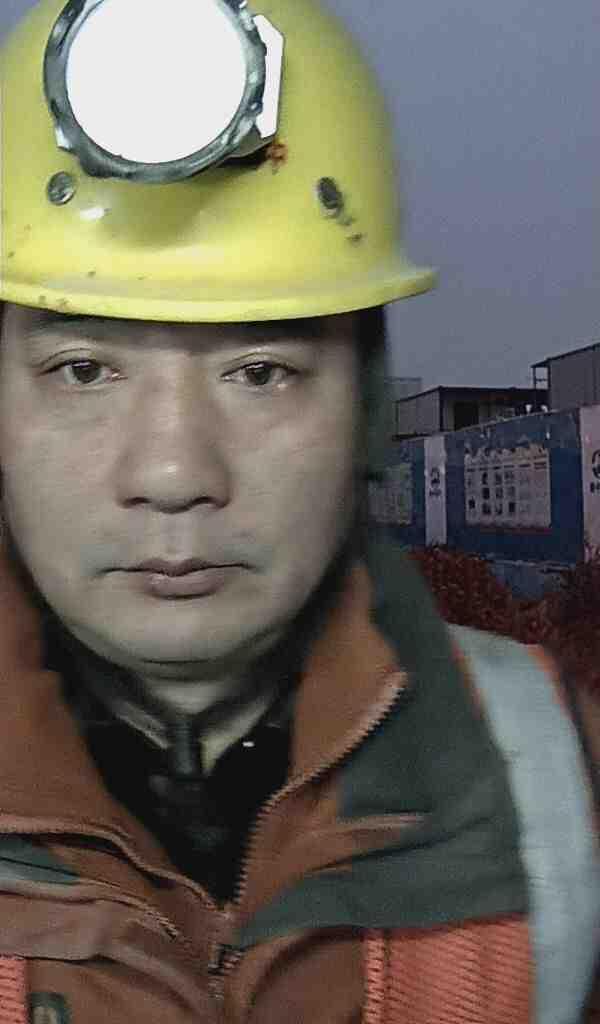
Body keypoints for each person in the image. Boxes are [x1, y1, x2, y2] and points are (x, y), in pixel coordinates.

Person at [0, 0, 597, 1021]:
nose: (175, 473)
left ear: (367, 408)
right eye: (85, 368)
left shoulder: (562, 778)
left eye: (261, 371)